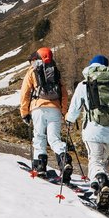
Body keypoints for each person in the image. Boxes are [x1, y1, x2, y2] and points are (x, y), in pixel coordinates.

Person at [65, 54, 109, 209]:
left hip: (93, 129)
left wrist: (69, 120)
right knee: (102, 160)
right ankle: (105, 187)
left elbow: (75, 108)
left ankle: (101, 181)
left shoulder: (84, 84)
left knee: (95, 161)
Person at [20, 47, 71, 182]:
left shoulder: (32, 71)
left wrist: (24, 113)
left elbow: (25, 93)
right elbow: (64, 93)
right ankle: (64, 159)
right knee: (54, 139)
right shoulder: (55, 71)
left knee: (39, 137)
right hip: (55, 108)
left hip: (38, 109)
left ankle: (40, 166)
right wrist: (64, 111)